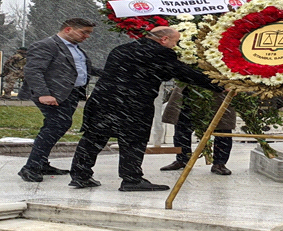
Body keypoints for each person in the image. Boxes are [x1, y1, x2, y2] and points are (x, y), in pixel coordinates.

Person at [69, 26, 222, 190]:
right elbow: (183, 73)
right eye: (175, 42)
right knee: (133, 140)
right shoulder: (161, 53)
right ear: (164, 39)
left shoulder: (121, 49)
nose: (174, 46)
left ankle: (80, 175)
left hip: (103, 100)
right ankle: (131, 179)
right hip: (133, 104)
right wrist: (218, 84)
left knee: (94, 138)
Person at [17, 18, 103, 183]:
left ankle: (40, 163)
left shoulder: (76, 49)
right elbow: (33, 70)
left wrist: (111, 73)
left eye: (89, 33)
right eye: (84, 32)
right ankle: (31, 168)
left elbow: (84, 69)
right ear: (68, 29)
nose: (87, 36)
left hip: (70, 94)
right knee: (56, 126)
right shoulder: (46, 45)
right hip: (53, 94)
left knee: (56, 126)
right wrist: (43, 94)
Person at [160, 85, 235, 175]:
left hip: (219, 89)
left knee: (223, 127)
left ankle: (219, 163)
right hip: (190, 87)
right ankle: (182, 159)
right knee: (182, 127)